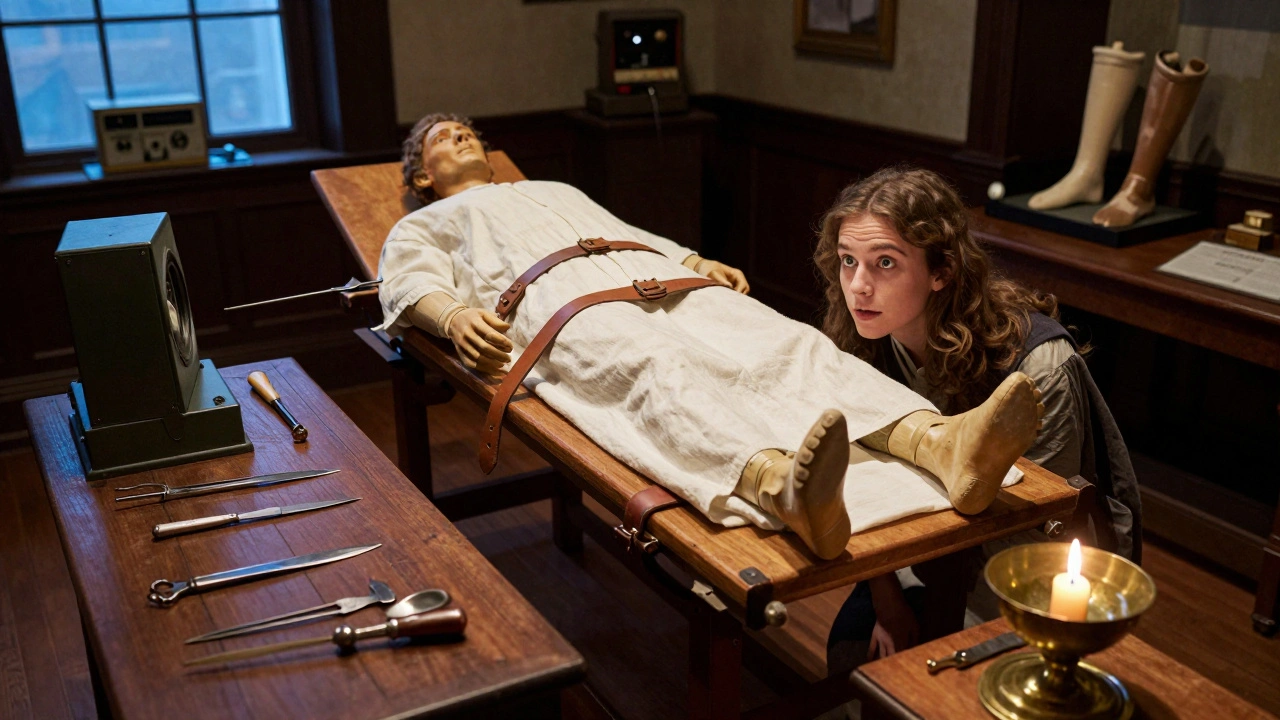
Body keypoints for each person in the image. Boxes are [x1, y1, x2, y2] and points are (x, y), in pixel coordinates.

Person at [378, 114, 1046, 560]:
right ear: (421, 177)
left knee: (789, 343)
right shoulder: (430, 221)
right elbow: (406, 278)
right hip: (563, 304)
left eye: (468, 131)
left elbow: (626, 231)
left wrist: (690, 260)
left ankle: (940, 444)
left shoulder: (553, 186)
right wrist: (452, 316)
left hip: (656, 276)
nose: (462, 136)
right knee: (655, 371)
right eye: (445, 137)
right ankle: (779, 486)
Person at [815, 166, 1141, 670]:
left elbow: (1040, 521)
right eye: (847, 261)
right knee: (852, 660)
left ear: (942, 271)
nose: (858, 286)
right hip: (911, 550)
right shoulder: (862, 339)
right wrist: (886, 599)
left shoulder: (1037, 366)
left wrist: (956, 638)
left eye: (884, 263)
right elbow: (856, 485)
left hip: (1022, 569)